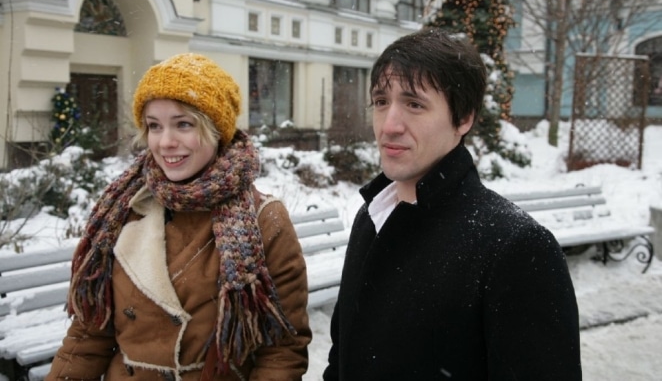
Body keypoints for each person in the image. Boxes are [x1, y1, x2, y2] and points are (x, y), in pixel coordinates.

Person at [323, 29, 582, 380]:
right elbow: (341, 357)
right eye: (381, 101)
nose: (389, 125)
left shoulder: (515, 247)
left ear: (463, 119)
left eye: (414, 104)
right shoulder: (371, 217)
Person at [47, 53, 311, 380]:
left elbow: (281, 352)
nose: (165, 142)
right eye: (154, 126)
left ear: (216, 129)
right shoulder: (121, 209)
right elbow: (87, 337)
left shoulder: (264, 219)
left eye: (183, 124)